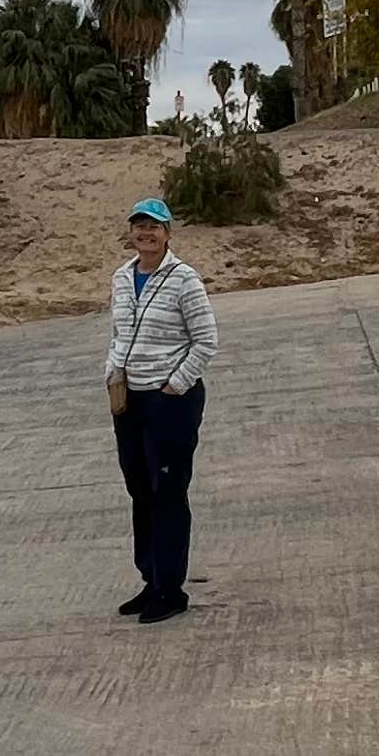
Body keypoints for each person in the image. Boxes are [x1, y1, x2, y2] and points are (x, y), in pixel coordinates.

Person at [105, 196, 218, 622]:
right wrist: (113, 372)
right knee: (140, 489)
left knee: (168, 492)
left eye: (154, 226)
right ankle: (151, 579)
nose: (145, 233)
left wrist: (176, 384)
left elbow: (206, 339)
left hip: (171, 401)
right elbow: (118, 332)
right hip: (129, 398)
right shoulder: (122, 277)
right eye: (138, 226)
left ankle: (171, 590)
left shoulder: (184, 279)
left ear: (168, 233)